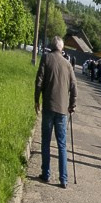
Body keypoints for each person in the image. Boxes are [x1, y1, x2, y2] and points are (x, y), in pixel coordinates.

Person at [35, 36, 76, 188]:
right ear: (62, 48)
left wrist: (36, 99)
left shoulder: (46, 58)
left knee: (46, 141)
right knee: (62, 145)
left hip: (48, 106)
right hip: (62, 110)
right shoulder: (68, 64)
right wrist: (72, 105)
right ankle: (63, 179)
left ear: (51, 46)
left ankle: (46, 174)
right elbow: (74, 87)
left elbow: (39, 81)